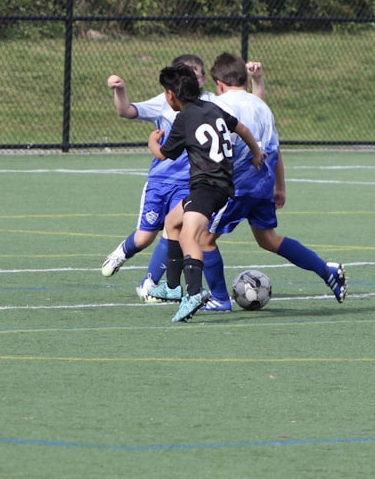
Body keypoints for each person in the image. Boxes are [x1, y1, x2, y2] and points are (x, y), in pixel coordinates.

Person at [101, 56, 266, 299]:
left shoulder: (208, 103)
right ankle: (134, 261)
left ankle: (165, 287)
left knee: (181, 234)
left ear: (202, 79)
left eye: (196, 73)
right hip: (163, 180)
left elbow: (249, 107)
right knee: (150, 234)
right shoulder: (167, 103)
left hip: (194, 182)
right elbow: (126, 110)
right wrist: (121, 90)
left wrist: (257, 81)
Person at [197, 51, 347, 311]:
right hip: (263, 184)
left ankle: (220, 298)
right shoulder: (262, 107)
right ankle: (326, 270)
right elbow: (275, 149)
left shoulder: (222, 106)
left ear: (218, 83)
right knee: (268, 239)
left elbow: (223, 149)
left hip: (238, 187)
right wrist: (280, 186)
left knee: (202, 238)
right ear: (245, 79)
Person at [146, 63, 266, 323]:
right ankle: (173, 286)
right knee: (172, 222)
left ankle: (193, 293)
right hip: (213, 184)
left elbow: (165, 154)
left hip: (208, 186)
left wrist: (152, 141)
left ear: (170, 94)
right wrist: (256, 153)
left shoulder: (184, 118)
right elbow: (242, 129)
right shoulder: (212, 108)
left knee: (191, 236)